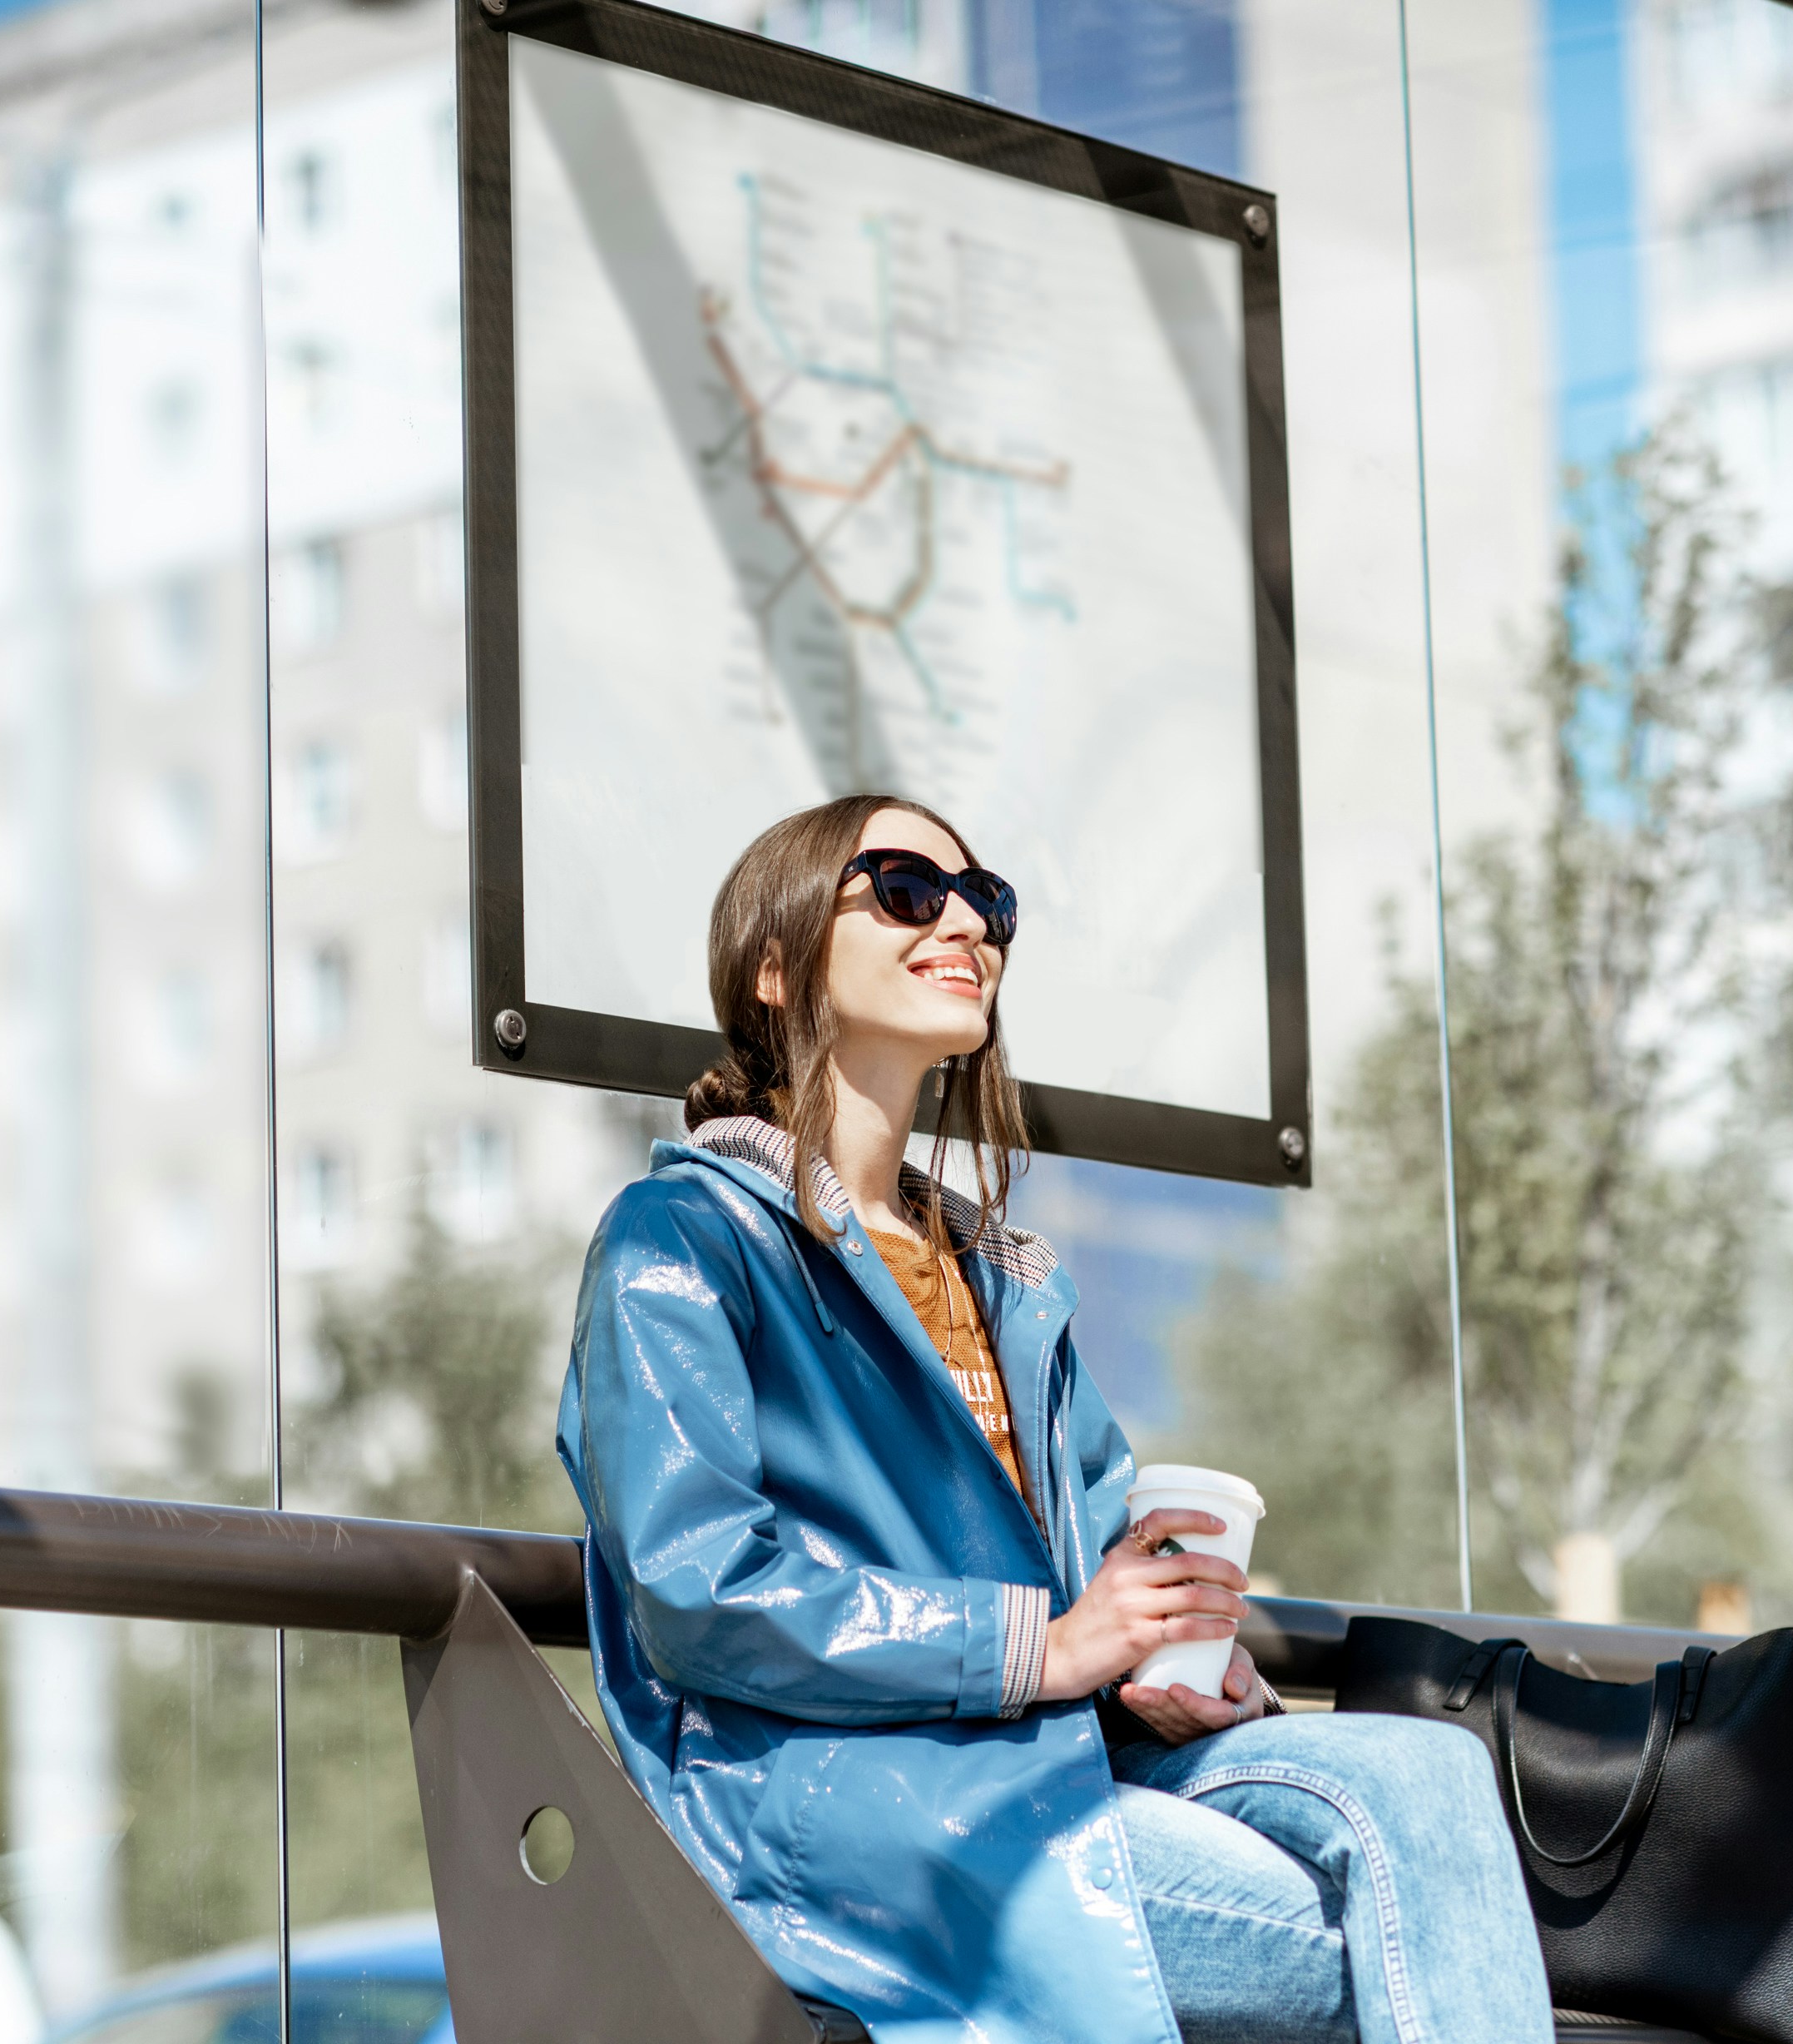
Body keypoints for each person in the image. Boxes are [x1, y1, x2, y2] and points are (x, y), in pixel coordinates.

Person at [556, 794, 1553, 2044]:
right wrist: (1044, 1648)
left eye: (991, 900)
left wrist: (1163, 1661)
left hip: (1054, 1765)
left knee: (1436, 1780)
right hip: (843, 1804)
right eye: (910, 890)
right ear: (772, 964)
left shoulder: (1000, 1276)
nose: (966, 918)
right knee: (1415, 1932)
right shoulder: (682, 1242)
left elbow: (1093, 1571)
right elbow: (699, 1594)